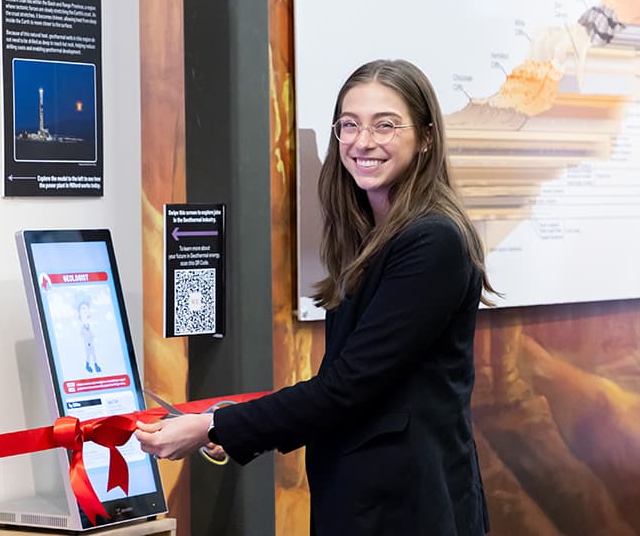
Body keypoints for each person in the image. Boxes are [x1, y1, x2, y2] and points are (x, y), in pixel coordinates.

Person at [135, 59, 494, 535]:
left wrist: (213, 427)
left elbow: (346, 388)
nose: (363, 142)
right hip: (368, 503)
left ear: (426, 137)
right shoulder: (374, 234)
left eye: (384, 125)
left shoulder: (433, 242)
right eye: (349, 125)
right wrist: (231, 425)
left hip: (408, 510)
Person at [77, 295, 101, 373]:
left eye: (86, 309)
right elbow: (81, 334)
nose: (85, 311)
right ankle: (91, 365)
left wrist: (92, 337)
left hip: (91, 342)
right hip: (87, 343)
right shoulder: (82, 326)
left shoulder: (89, 325)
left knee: (92, 354)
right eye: (83, 309)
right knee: (89, 354)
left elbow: (92, 334)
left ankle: (93, 365)